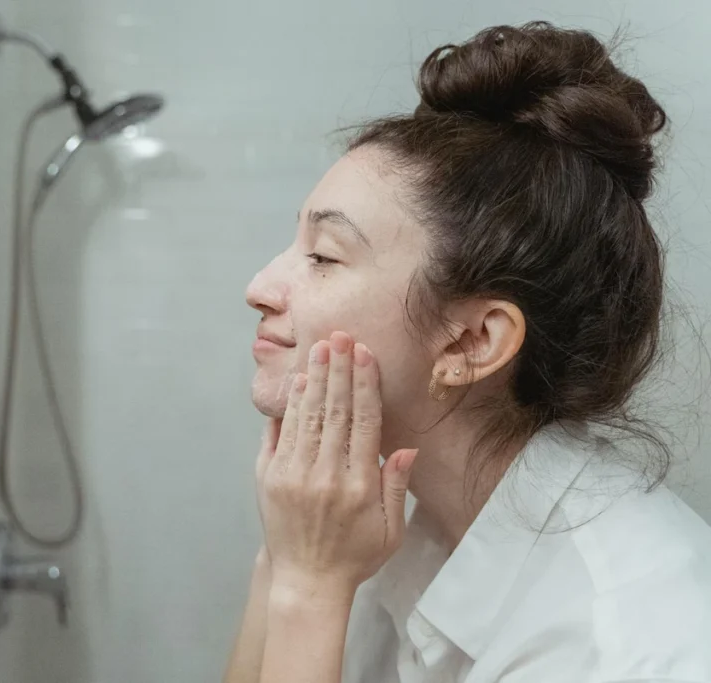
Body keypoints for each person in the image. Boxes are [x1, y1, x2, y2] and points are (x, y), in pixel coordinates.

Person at [226, 21, 711, 683]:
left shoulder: (632, 647)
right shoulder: (389, 532)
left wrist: (309, 586)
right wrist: (285, 558)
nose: (259, 287)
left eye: (323, 256)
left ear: (471, 341)